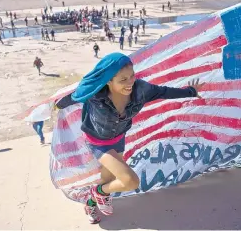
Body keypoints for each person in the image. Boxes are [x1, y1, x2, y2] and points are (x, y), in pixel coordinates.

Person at [55, 52, 203, 224]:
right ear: (108, 80)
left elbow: (163, 92)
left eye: (132, 76)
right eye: (123, 80)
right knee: (130, 181)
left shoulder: (141, 89)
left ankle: (90, 203)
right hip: (97, 142)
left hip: (118, 137)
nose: (130, 82)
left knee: (107, 180)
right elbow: (72, 98)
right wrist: (55, 105)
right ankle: (98, 192)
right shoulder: (94, 94)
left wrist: (191, 92)